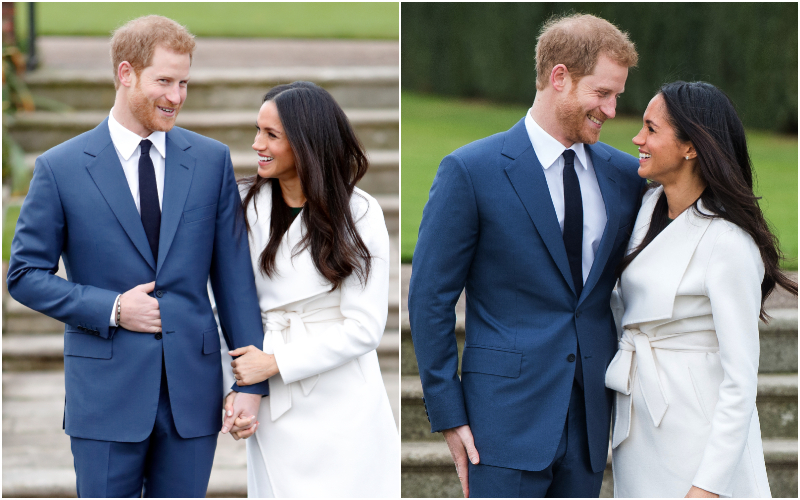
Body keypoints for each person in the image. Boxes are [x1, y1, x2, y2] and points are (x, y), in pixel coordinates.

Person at [6, 15, 267, 497]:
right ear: (126, 74)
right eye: (164, 81)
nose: (176, 96)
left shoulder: (210, 162)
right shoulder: (61, 168)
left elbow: (234, 281)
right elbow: (23, 275)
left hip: (192, 393)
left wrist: (250, 385)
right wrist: (113, 308)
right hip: (104, 395)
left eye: (184, 82)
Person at [409, 13, 645, 498]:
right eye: (602, 94)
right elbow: (430, 299)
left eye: (617, 96)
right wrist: (448, 414)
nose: (612, 110)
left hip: (589, 421)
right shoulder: (470, 171)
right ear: (559, 77)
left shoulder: (625, 175)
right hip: (499, 421)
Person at [605, 81, 797, 498]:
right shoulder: (644, 209)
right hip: (640, 426)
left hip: (699, 440)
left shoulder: (728, 242)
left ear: (691, 147)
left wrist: (706, 487)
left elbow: (740, 379)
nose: (637, 139)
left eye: (651, 130)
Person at [219, 81, 400, 497]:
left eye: (271, 135)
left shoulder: (360, 212)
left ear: (306, 143)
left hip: (343, 400)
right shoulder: (241, 203)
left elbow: (364, 328)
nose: (256, 144)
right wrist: (240, 389)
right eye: (257, 130)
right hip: (273, 402)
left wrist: (274, 363)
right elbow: (224, 302)